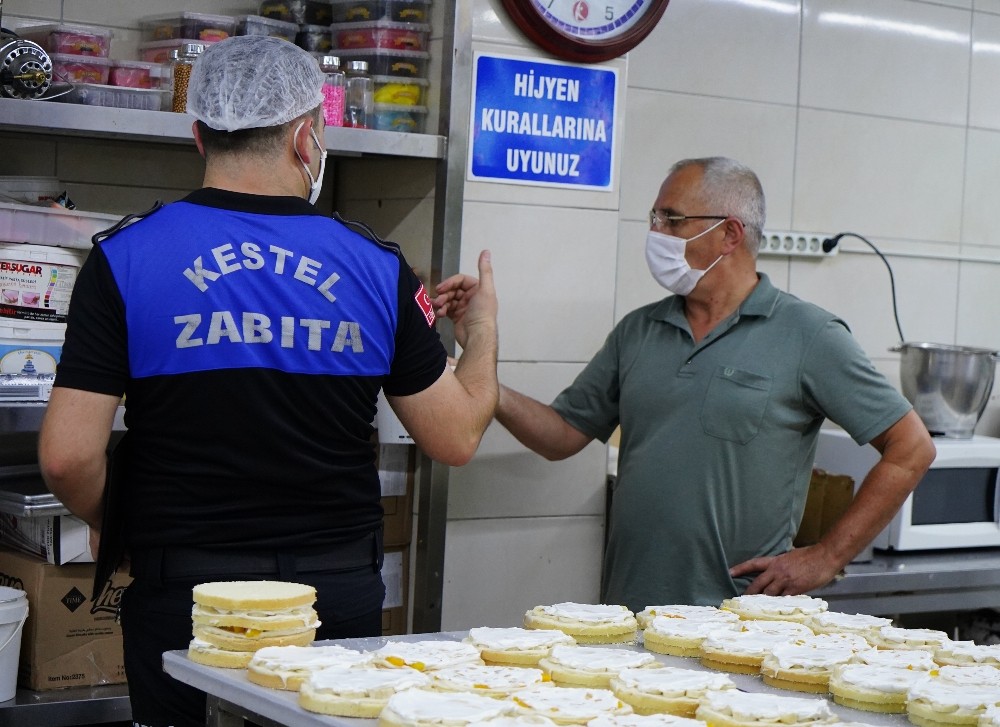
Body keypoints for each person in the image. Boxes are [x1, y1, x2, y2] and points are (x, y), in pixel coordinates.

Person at [38, 36, 498, 727]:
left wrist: (116, 521)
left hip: (189, 596)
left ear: (199, 135)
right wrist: (482, 331)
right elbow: (457, 435)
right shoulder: (376, 267)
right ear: (306, 136)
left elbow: (66, 456)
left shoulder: (125, 258)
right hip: (332, 597)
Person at [434, 156, 935, 612]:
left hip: (740, 621)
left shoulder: (809, 336)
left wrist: (825, 557)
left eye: (671, 220)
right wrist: (475, 369)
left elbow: (911, 448)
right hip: (629, 614)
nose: (656, 232)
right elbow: (562, 434)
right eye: (655, 219)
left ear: (730, 235)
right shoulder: (640, 330)